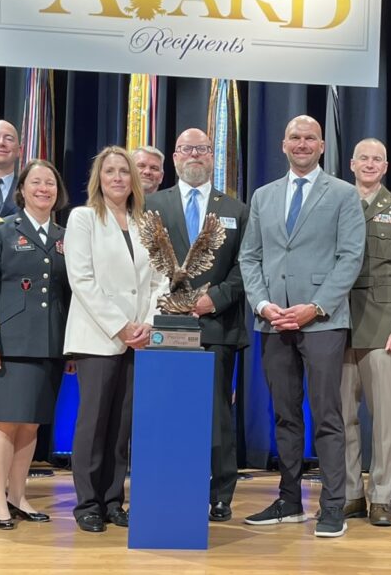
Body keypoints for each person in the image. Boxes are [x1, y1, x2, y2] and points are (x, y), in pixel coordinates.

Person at [239, 115, 365, 538]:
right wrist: (262, 304)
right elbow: (250, 258)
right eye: (294, 137)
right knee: (284, 416)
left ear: (322, 146)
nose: (302, 143)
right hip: (274, 323)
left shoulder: (344, 195)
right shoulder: (263, 196)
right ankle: (289, 501)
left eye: (310, 137)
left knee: (328, 416)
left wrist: (316, 307)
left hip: (323, 324)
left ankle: (333, 506)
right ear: (283, 144)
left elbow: (350, 258)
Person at [145, 128, 249, 522]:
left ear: (213, 157)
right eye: (187, 149)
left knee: (217, 417)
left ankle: (220, 494)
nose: (195, 155)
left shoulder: (236, 210)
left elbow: (246, 267)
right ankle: (164, 485)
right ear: (174, 157)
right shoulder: (151, 205)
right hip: (161, 327)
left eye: (202, 149)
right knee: (163, 412)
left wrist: (215, 300)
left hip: (216, 326)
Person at [64, 146, 161, 533]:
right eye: (110, 171)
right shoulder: (83, 218)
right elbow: (82, 280)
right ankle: (87, 503)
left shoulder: (146, 223)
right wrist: (120, 325)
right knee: (93, 423)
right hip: (98, 337)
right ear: (99, 179)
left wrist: (148, 324)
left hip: (139, 338)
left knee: (122, 426)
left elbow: (160, 279)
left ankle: (111, 500)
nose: (118, 177)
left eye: (124, 171)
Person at [0, 160, 70, 530]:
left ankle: (18, 495)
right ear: (22, 189)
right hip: (9, 343)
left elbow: (66, 293)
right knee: (6, 421)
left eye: (50, 182)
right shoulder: (0, 230)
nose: (43, 188)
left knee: (30, 425)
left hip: (50, 343)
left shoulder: (65, 235)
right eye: (36, 182)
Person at [342, 138, 391, 527]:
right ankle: (351, 494)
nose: (370, 164)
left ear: (386, 166)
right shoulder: (335, 200)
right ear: (352, 163)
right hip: (338, 324)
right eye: (364, 158)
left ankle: (382, 497)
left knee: (386, 420)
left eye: (377, 158)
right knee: (341, 417)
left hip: (384, 326)